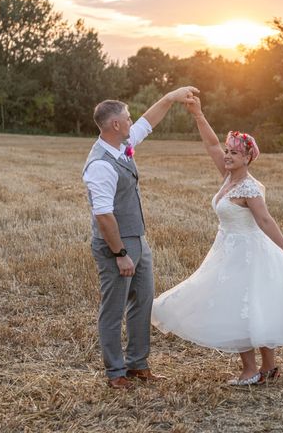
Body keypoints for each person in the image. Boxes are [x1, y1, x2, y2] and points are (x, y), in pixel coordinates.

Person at [151, 96, 283, 386]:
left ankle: (251, 369)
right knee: (251, 306)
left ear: (247, 158)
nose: (227, 156)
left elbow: (265, 220)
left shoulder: (248, 187)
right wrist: (198, 115)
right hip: (227, 249)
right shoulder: (228, 177)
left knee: (241, 305)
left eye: (234, 153)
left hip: (248, 253)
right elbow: (211, 145)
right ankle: (267, 367)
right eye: (228, 151)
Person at [83, 86, 198, 389]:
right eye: (128, 118)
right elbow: (104, 216)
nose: (132, 122)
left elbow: (149, 121)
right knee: (113, 308)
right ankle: (115, 373)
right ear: (116, 125)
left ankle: (138, 365)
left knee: (142, 300)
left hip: (138, 239)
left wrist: (172, 97)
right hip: (116, 244)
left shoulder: (121, 146)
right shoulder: (100, 165)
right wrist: (120, 254)